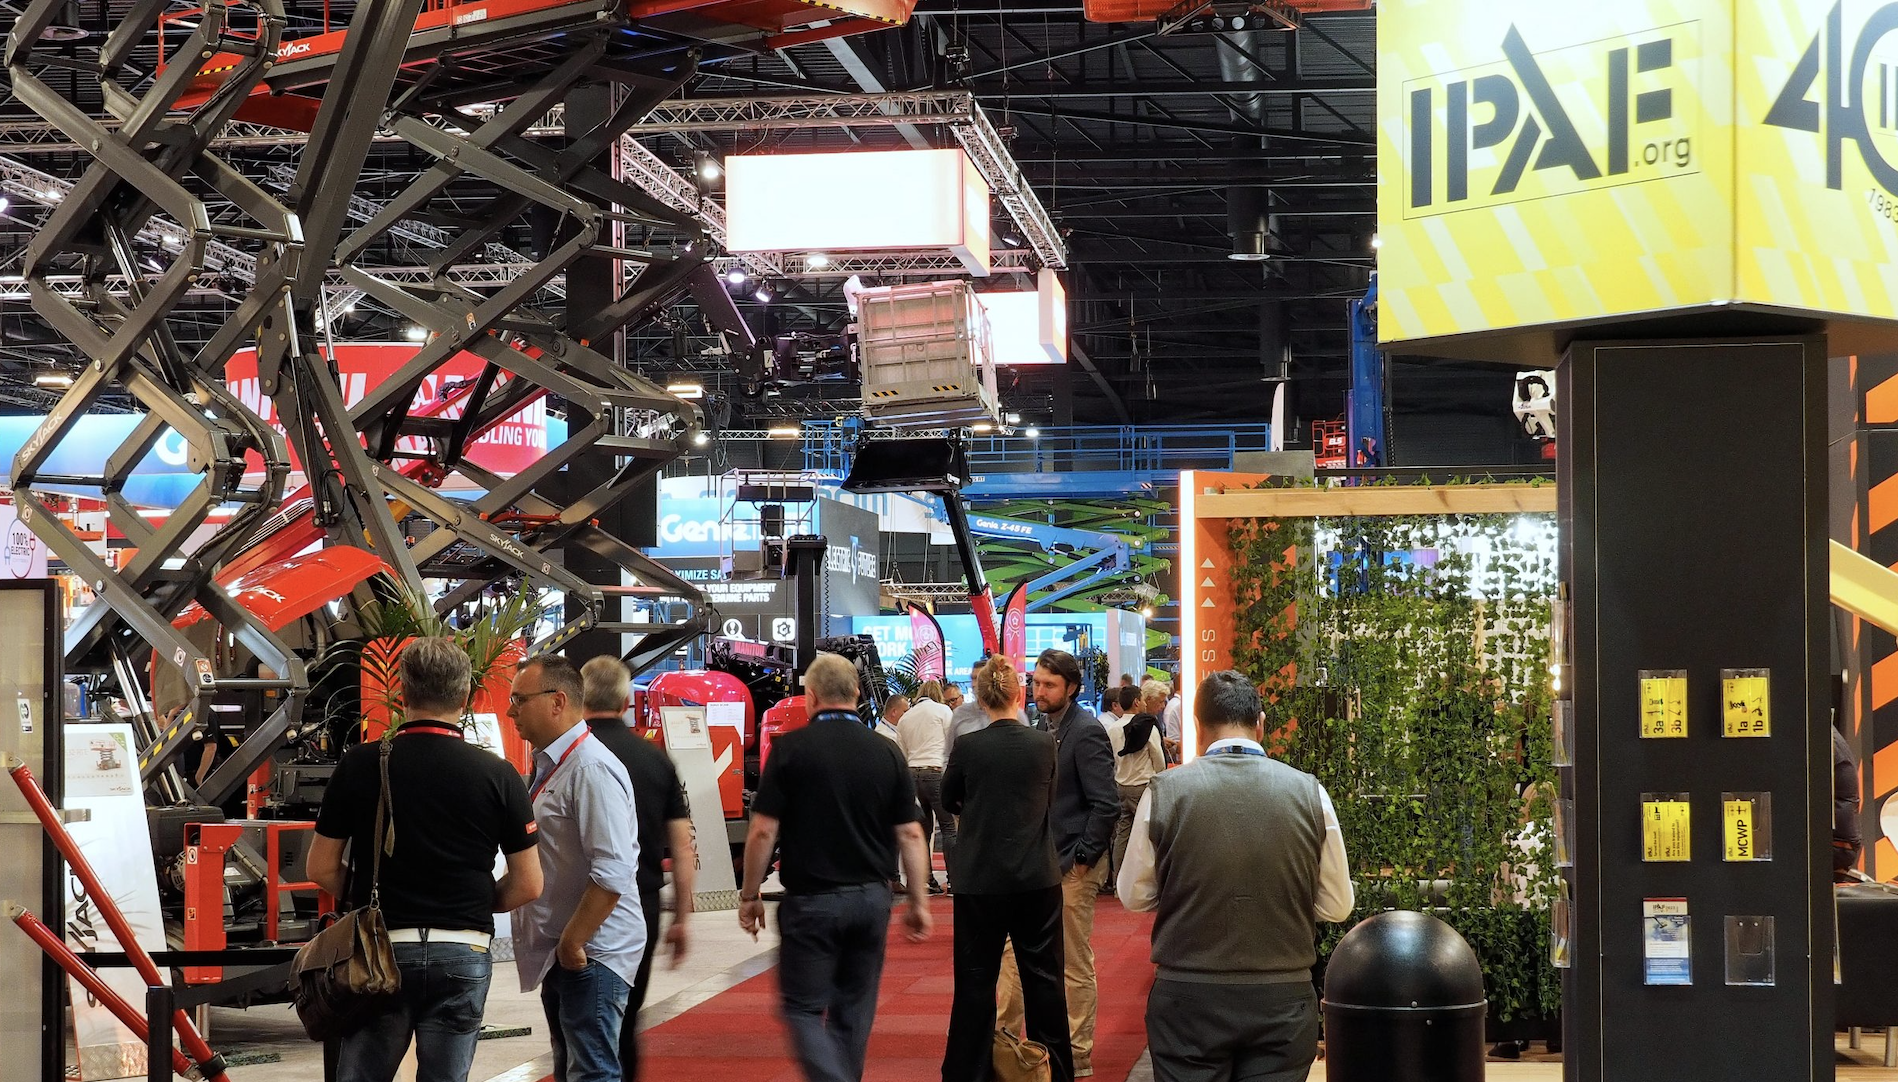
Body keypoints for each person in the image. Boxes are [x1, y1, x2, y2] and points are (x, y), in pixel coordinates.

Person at [309, 638, 544, 1082]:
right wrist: (470, 902)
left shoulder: (360, 765)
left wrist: (371, 891)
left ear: (401, 692)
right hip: (464, 949)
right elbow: (529, 883)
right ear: (466, 696)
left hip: (381, 952)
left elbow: (320, 868)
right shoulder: (498, 774)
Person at [1117, 671, 1353, 1082]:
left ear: (1197, 725)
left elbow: (1134, 896)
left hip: (1188, 998)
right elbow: (1337, 905)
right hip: (1282, 996)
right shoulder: (1309, 792)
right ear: (1261, 723)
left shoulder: (1165, 791)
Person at [739, 653, 932, 1082]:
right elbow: (912, 835)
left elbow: (762, 832)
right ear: (858, 693)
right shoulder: (886, 752)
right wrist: (919, 900)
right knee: (853, 1011)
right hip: (871, 900)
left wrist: (750, 894)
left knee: (802, 1008)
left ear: (810, 697)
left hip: (813, 902)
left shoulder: (790, 750)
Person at [509, 657, 646, 1082]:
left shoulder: (589, 768)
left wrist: (572, 943)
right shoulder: (557, 765)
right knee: (574, 1068)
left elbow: (613, 870)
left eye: (519, 700)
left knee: (591, 1072)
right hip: (568, 950)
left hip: (592, 951)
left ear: (558, 701)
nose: (511, 711)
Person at [940, 657, 1072, 1082]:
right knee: (1045, 983)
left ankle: (967, 1074)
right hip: (1037, 877)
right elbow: (1049, 799)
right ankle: (1057, 1072)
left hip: (981, 879)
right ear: (1019, 695)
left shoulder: (969, 747)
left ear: (980, 699)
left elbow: (949, 799)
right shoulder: (1044, 744)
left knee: (976, 984)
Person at [998, 649, 1118, 1077]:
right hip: (1035, 864)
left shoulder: (1086, 732)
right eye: (1035, 682)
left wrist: (1084, 859)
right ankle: (1005, 1046)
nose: (1039, 690)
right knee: (1012, 955)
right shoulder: (1039, 727)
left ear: (1071, 687)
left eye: (1049, 684)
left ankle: (1077, 1054)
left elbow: (1106, 804)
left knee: (1070, 963)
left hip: (1071, 865)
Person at [579, 656, 697, 1082]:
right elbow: (682, 844)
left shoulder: (565, 754)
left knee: (570, 1023)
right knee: (624, 1019)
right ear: (628, 699)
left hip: (573, 904)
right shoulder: (655, 760)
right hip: (639, 905)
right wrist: (682, 916)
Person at [896, 679, 955, 893]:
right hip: (936, 771)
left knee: (922, 830)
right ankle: (954, 880)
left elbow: (902, 751)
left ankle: (926, 880)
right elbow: (951, 743)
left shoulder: (905, 717)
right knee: (948, 827)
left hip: (912, 774)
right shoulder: (943, 711)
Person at [1107, 682, 1166, 883]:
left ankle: (1118, 882)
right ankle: (1150, 881)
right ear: (1136, 702)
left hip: (1121, 786)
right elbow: (1158, 757)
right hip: (1143, 787)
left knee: (1122, 833)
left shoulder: (1113, 728)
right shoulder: (1147, 726)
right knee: (1151, 835)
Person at [1160, 674, 1184, 764]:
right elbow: (1173, 743)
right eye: (1160, 702)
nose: (1162, 706)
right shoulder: (1175, 707)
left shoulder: (1175, 705)